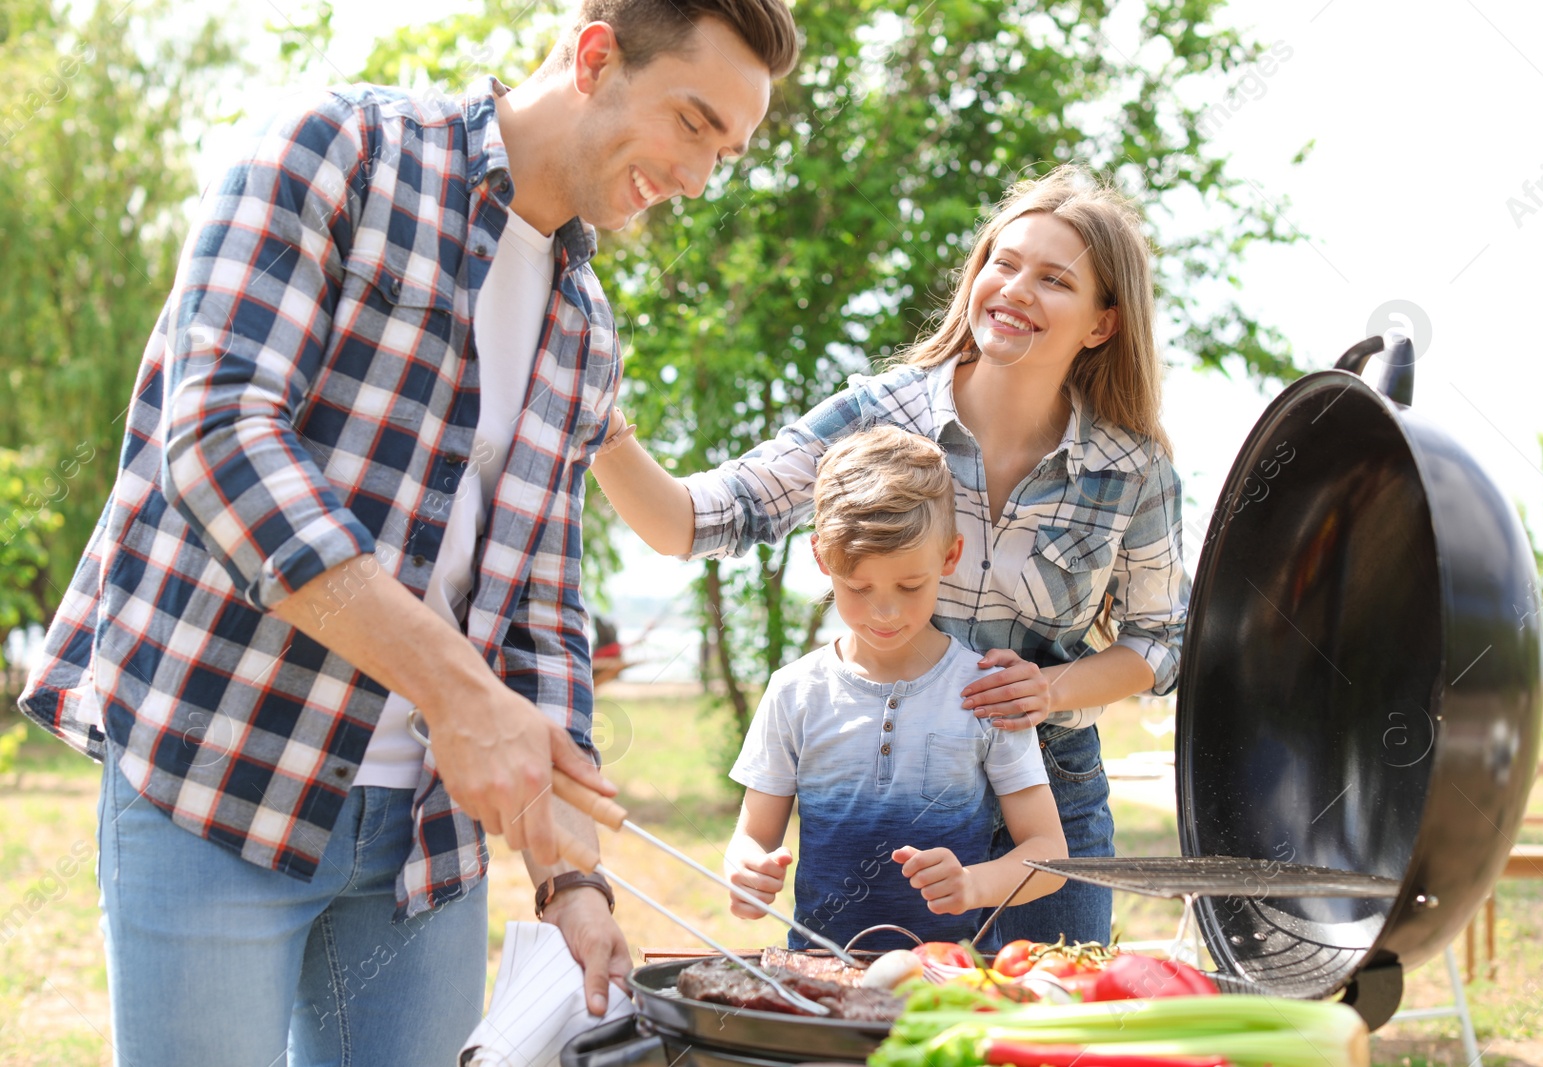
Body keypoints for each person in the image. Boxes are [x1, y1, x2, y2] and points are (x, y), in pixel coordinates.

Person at [16, 1, 797, 1062]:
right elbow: (218, 442)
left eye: (728, 150)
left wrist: (569, 875)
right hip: (217, 778)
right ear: (595, 54)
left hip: (423, 846)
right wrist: (461, 696)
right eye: (692, 122)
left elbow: (541, 606)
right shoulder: (337, 148)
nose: (701, 176)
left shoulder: (586, 329)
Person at [590, 164, 1188, 946]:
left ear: (1102, 324)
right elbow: (695, 520)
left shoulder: (1132, 469)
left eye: (1053, 279)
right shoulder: (881, 415)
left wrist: (1051, 688)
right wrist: (594, 415)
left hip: (1050, 801)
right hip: (900, 791)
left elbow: (1161, 639)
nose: (1013, 289)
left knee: (1043, 1032)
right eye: (1001, 263)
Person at [723, 427, 1067, 950]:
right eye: (858, 588)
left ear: (950, 557)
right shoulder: (794, 692)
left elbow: (1049, 856)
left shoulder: (986, 692)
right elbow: (752, 836)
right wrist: (745, 871)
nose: (885, 612)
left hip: (948, 987)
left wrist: (974, 884)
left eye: (910, 587)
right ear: (821, 559)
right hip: (821, 985)